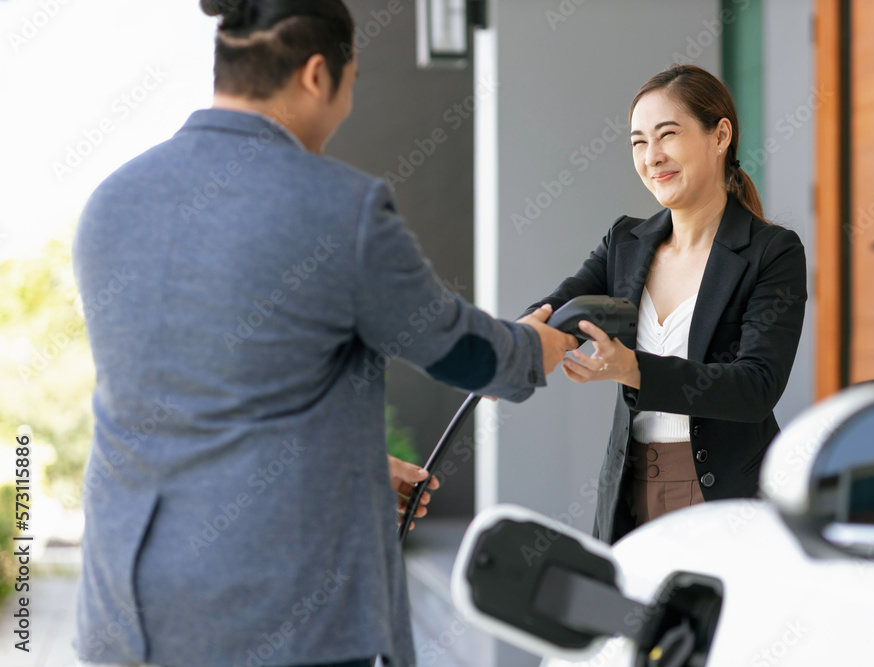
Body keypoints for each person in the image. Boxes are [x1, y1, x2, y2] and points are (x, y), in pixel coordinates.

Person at [71, 1, 577, 666]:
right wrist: (541, 345)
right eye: (353, 80)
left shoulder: (111, 200)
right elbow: (461, 349)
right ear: (317, 75)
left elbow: (204, 396)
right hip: (273, 617)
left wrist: (348, 469)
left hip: (125, 611)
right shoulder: (343, 207)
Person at [524, 65, 807, 544]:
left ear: (720, 136)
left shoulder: (772, 252)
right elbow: (559, 306)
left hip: (730, 500)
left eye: (667, 135)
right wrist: (509, 347)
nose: (651, 157)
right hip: (629, 496)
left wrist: (634, 370)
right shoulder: (625, 242)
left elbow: (756, 387)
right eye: (638, 142)